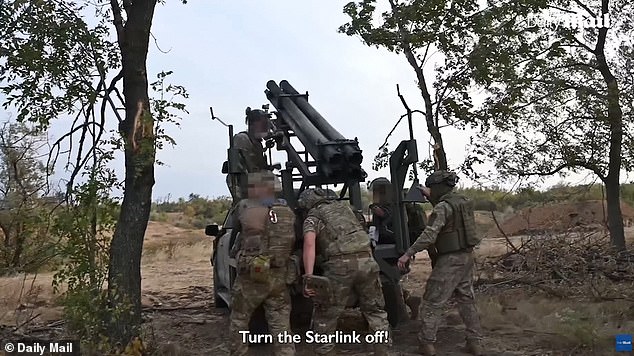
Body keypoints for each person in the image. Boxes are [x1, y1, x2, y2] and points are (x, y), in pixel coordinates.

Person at [397, 170, 484, 356]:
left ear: (438, 188)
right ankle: (475, 342)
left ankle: (427, 344)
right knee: (466, 299)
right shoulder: (463, 201)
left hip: (450, 259)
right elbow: (452, 218)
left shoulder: (442, 207)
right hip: (467, 256)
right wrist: (432, 198)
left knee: (432, 301)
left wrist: (408, 253)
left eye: (431, 188)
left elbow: (429, 235)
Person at [299, 188, 391, 356]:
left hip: (339, 265)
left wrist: (309, 276)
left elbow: (310, 243)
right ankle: (382, 350)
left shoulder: (313, 217)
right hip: (367, 261)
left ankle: (326, 352)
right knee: (375, 311)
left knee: (326, 314)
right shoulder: (346, 209)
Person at [229, 172, 296, 356]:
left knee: (239, 319)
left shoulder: (246, 207)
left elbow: (237, 230)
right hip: (279, 275)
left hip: (253, 274)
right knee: (281, 323)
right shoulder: (287, 212)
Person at [367, 178, 422, 322]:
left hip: (391, 248)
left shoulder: (393, 205)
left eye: (379, 191)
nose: (376, 194)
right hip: (385, 246)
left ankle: (400, 316)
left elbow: (387, 217)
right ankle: (409, 300)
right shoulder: (390, 204)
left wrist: (378, 211)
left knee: (387, 280)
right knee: (388, 280)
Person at [226, 107, 271, 202]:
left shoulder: (258, 143)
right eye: (263, 123)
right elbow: (244, 167)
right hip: (244, 185)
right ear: (253, 124)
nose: (266, 127)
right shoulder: (242, 139)